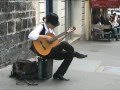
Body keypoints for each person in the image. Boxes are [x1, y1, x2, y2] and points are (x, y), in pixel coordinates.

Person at [28, 13, 87, 81]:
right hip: (42, 52)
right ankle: (75, 53)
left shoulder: (51, 31)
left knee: (70, 55)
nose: (55, 26)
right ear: (49, 23)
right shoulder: (41, 27)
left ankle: (58, 74)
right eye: (54, 25)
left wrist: (66, 34)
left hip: (51, 52)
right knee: (64, 44)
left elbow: (56, 43)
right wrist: (45, 36)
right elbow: (30, 35)